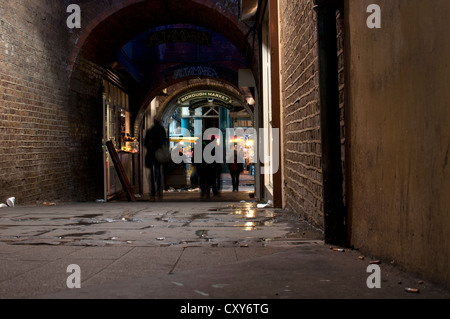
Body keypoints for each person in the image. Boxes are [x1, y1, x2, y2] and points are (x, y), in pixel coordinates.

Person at [144, 119, 167, 200]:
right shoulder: (161, 131)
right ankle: (159, 191)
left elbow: (145, 143)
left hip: (151, 155)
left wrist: (150, 145)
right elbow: (164, 141)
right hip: (159, 155)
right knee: (158, 173)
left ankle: (153, 192)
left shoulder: (150, 131)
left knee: (152, 175)